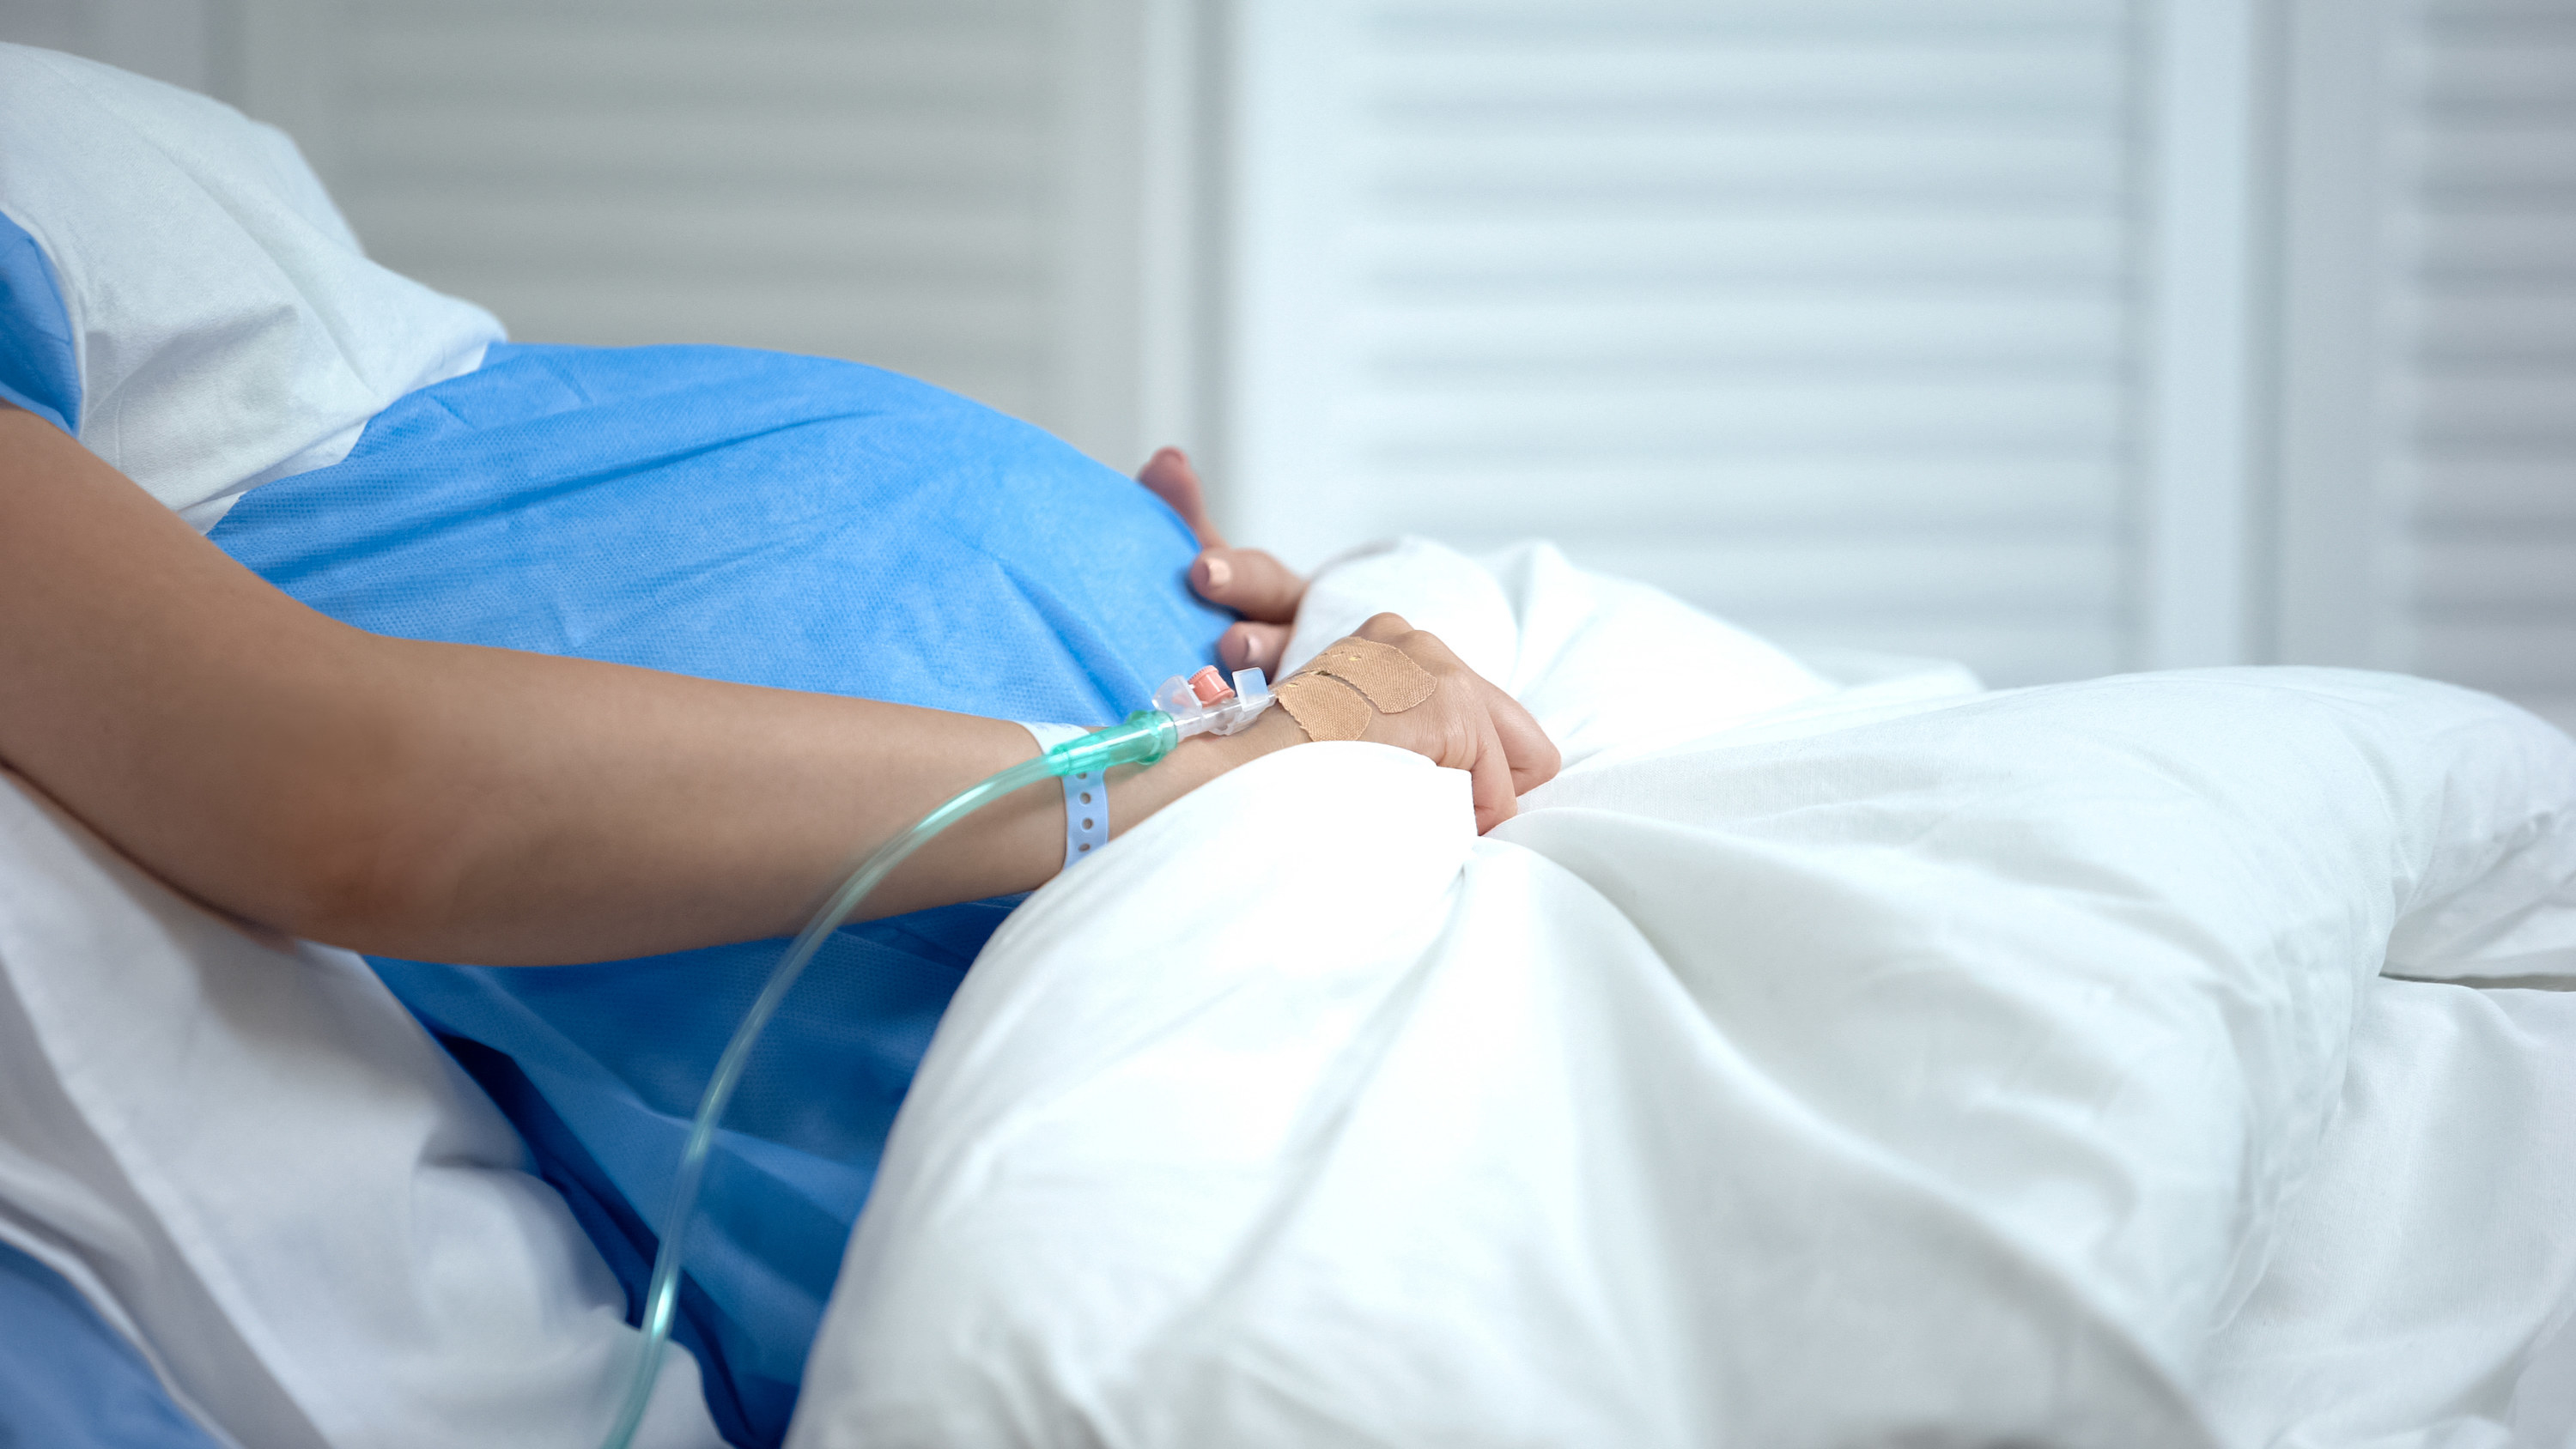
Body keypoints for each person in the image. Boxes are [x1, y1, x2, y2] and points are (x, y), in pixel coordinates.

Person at [0, 403, 1558, 968]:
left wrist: (1313, 636)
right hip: (1210, 922)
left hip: (1347, 772)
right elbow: (339, 794)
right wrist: (1219, 774)